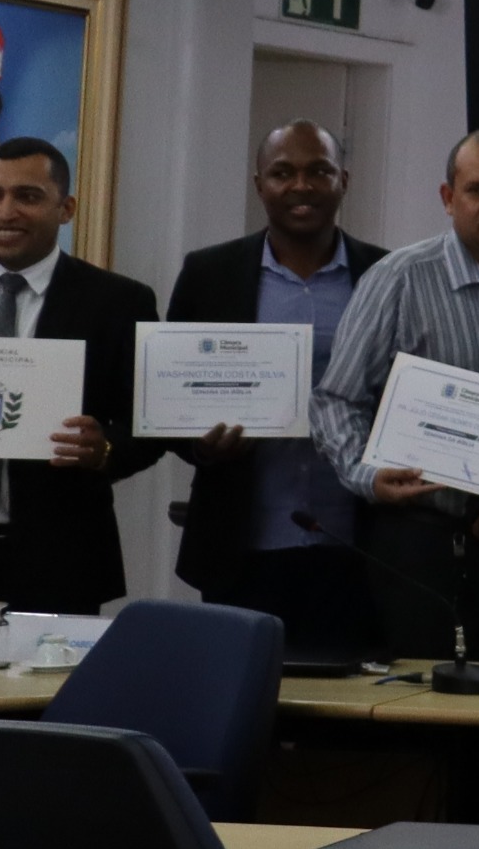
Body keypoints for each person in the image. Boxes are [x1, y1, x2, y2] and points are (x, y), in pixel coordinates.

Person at [316, 129, 479, 660]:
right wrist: (369, 475)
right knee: (430, 699)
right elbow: (336, 400)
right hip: (425, 545)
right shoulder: (400, 279)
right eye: (477, 190)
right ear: (449, 198)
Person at [165, 122, 389, 653]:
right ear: (259, 184)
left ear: (343, 180)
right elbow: (169, 400)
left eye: (319, 171)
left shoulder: (385, 273)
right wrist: (201, 445)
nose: (301, 186)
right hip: (242, 547)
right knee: (242, 695)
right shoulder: (209, 274)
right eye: (283, 173)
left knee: (350, 698)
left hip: (361, 544)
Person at [0, 138, 156, 618]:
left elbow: (149, 425)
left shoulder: (119, 302)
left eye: (27, 196)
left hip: (59, 559)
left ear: (66, 208)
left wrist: (105, 448)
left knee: (53, 674)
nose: (4, 212)